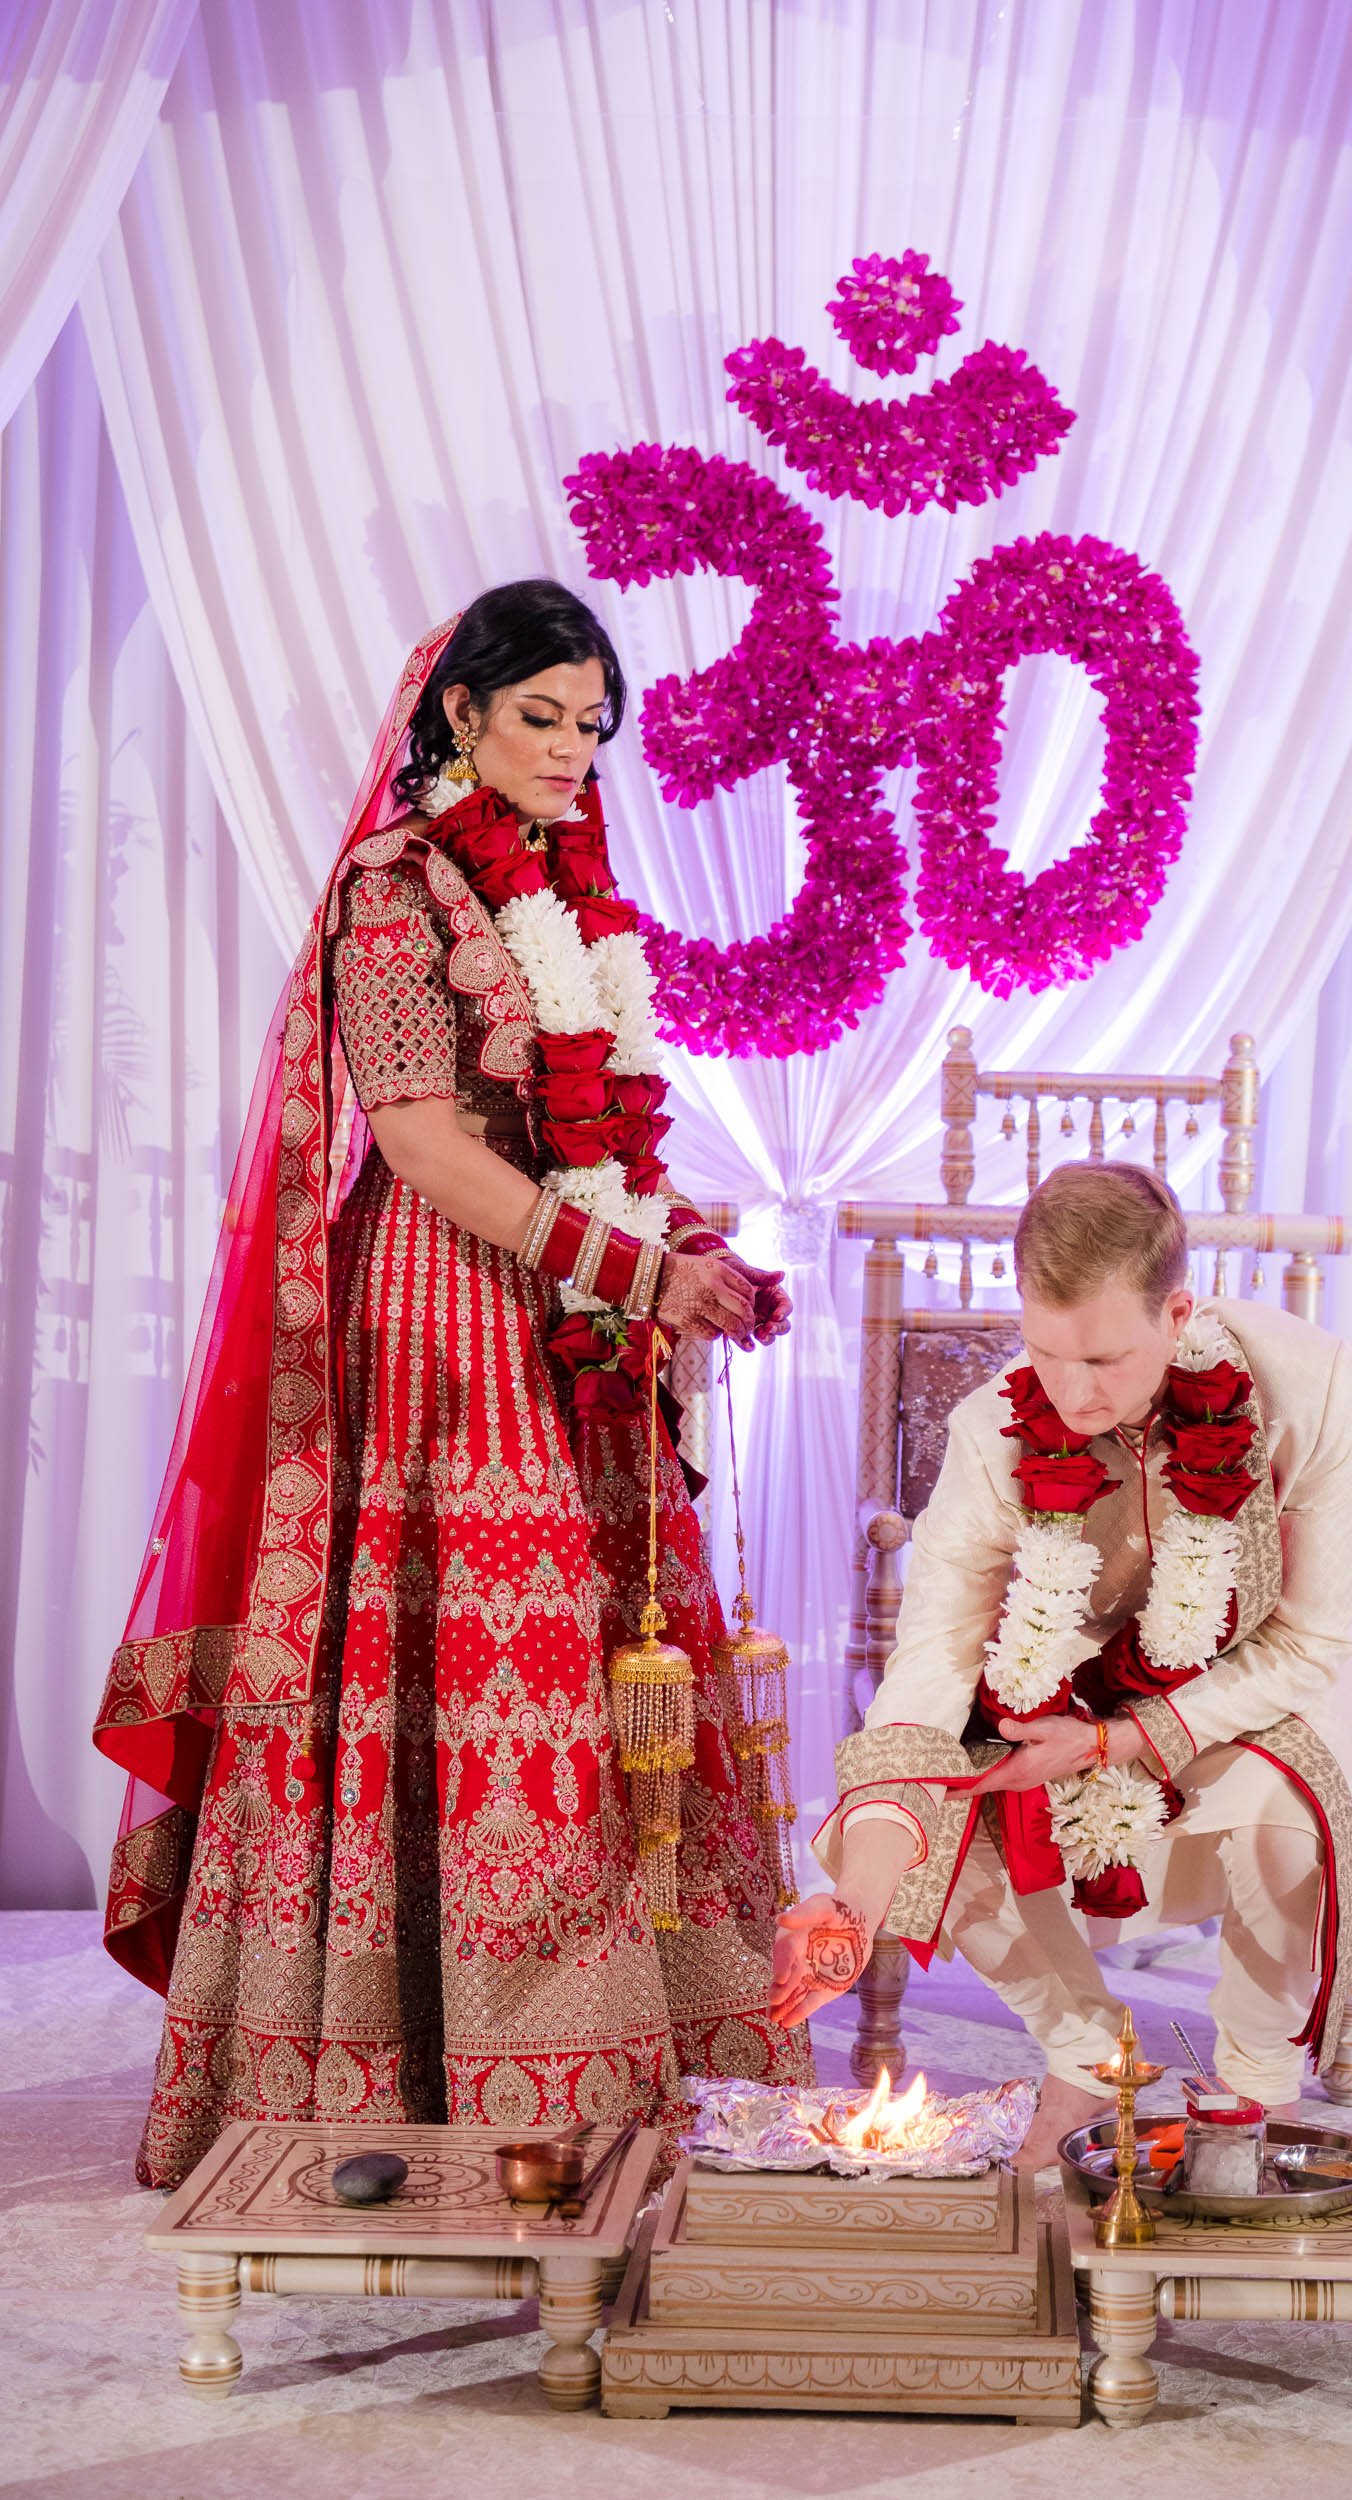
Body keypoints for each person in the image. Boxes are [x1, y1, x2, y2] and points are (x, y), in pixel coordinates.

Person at [95, 580, 813, 2191]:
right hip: (438, 1320)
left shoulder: (571, 887)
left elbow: (600, 1137)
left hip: (560, 1306)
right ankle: (425, 2055)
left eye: (590, 722)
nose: (572, 749)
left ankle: (604, 2059)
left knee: (588, 1676)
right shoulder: (392, 885)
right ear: (458, 718)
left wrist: (691, 1243)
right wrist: (635, 1273)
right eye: (539, 717)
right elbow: (421, 1145)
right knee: (487, 1686)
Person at [774, 1161, 1352, 2154]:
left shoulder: (1303, 1383)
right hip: (1089, 1650)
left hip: (1295, 1647)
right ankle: (1086, 2057)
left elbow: (1307, 1640)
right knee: (944, 1796)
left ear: (1177, 1310)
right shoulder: (992, 1430)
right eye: (1044, 1352)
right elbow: (926, 1673)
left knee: (1287, 1815)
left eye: (1106, 1360)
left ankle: (1253, 2089)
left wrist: (1107, 1745)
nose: (1072, 1393)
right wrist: (856, 1903)